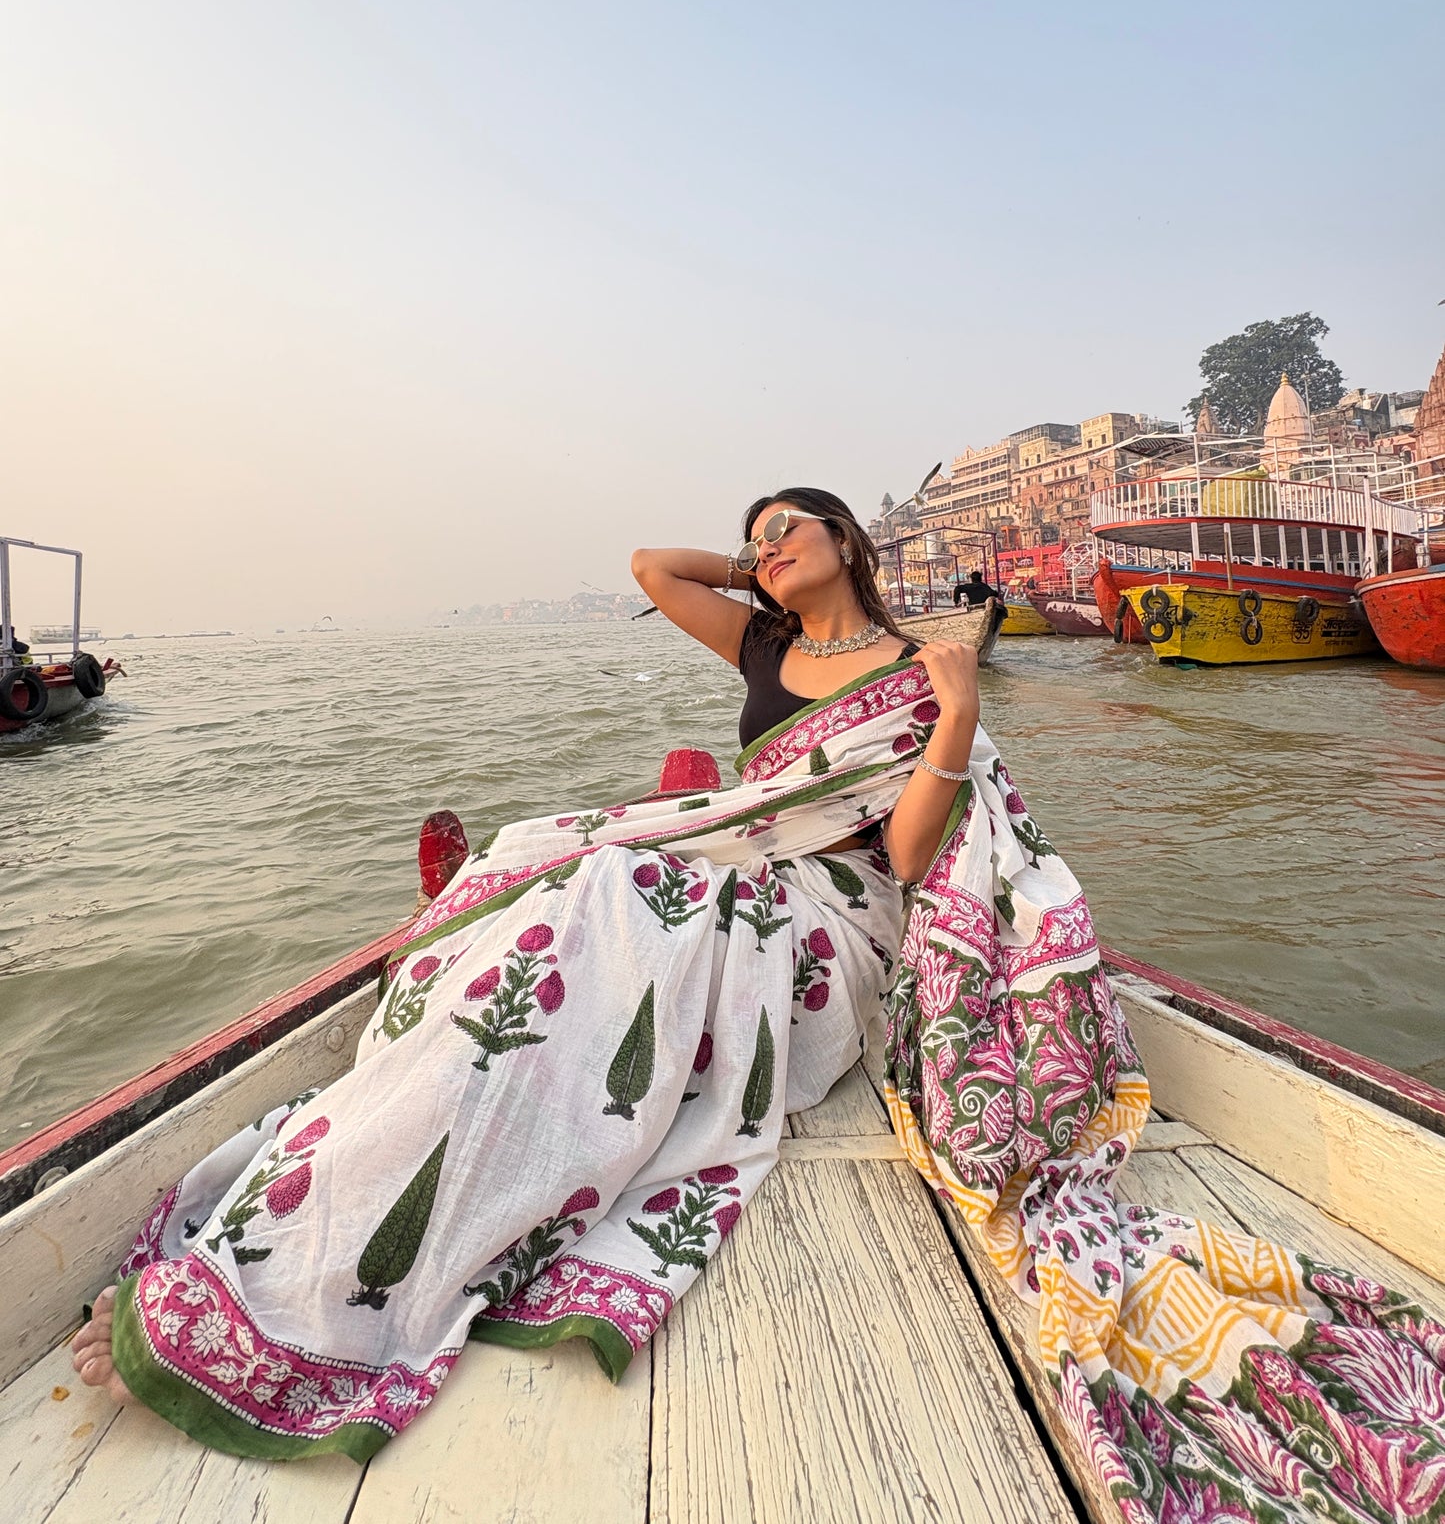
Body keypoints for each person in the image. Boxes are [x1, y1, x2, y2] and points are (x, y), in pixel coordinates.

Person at [71, 489, 1445, 1520]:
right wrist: (756, 568)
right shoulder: (759, 649)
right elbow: (646, 567)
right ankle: (391, 1151)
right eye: (758, 535)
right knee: (565, 884)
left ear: (850, 538)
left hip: (835, 919)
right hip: (732, 864)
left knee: (615, 892)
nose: (767, 546)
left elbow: (907, 858)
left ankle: (374, 1214)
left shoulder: (920, 674)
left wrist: (955, 705)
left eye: (791, 527)